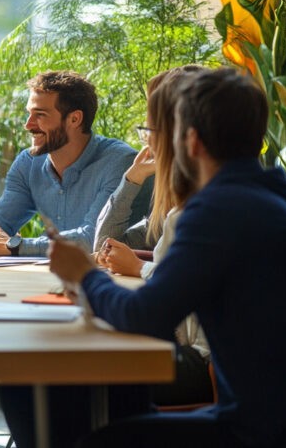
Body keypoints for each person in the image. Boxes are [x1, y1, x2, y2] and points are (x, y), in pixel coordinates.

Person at [48, 68, 286, 447]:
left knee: (87, 425)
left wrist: (84, 277)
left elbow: (144, 317)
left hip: (266, 430)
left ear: (190, 142)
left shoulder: (215, 211)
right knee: (113, 404)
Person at [95, 67, 213, 407]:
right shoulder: (186, 203)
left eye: (149, 128)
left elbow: (153, 309)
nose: (145, 139)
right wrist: (131, 179)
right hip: (210, 359)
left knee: (57, 373)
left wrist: (90, 280)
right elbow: (106, 243)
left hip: (202, 364)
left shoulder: (195, 212)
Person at [0, 70, 139, 256]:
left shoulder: (120, 163)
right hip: (50, 276)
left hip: (111, 279)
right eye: (29, 114)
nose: (28, 125)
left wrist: (15, 245)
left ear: (74, 119)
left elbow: (94, 239)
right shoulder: (28, 163)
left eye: (40, 115)